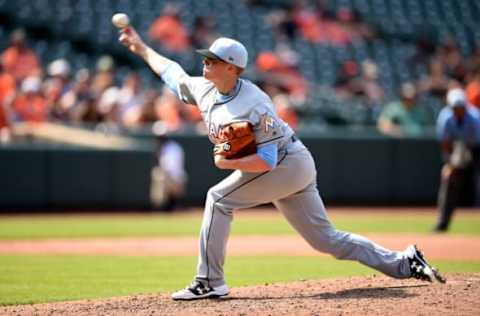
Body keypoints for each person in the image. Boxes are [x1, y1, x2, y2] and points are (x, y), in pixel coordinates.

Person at [118, 25, 446, 301]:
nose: (205, 63)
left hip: (287, 163)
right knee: (326, 240)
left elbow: (266, 160)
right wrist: (142, 47)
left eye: (213, 60)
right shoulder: (204, 89)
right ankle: (404, 262)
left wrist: (226, 163)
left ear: (232, 68)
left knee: (217, 199)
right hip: (288, 166)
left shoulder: (256, 102)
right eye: (206, 58)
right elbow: (172, 73)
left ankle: (210, 282)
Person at [435, 89, 480, 232]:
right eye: (455, 107)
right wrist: (449, 164)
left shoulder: (475, 116)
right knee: (449, 181)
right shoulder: (446, 117)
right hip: (457, 149)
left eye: (461, 107)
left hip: (475, 149)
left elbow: (476, 143)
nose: (458, 110)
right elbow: (446, 143)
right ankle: (442, 223)